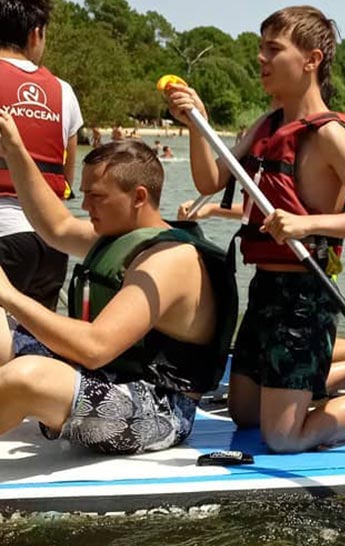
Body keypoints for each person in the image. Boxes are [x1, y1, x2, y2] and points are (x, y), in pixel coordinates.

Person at [165, 5, 345, 453]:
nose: (261, 59)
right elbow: (209, 181)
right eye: (260, 50)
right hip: (266, 289)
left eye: (274, 50)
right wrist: (196, 124)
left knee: (283, 437)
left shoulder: (330, 135)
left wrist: (305, 222)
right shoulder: (266, 124)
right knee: (244, 412)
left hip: (306, 297)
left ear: (311, 60)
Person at [0, 122, 236, 454]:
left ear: (138, 196)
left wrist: (10, 296)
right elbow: (56, 226)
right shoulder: (121, 238)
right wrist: (14, 150)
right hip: (110, 376)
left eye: (96, 196)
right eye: (84, 194)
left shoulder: (169, 260)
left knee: (26, 377)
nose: (85, 206)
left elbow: (95, 347)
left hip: (159, 410)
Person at [174, 194, 345, 405]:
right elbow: (264, 212)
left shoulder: (325, 150)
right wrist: (213, 209)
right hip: (275, 281)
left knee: (302, 371)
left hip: (312, 278)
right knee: (251, 402)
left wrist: (307, 226)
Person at [0, 0, 82, 310]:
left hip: (3, 236)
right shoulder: (64, 91)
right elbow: (68, 178)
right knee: (36, 346)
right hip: (51, 243)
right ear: (36, 34)